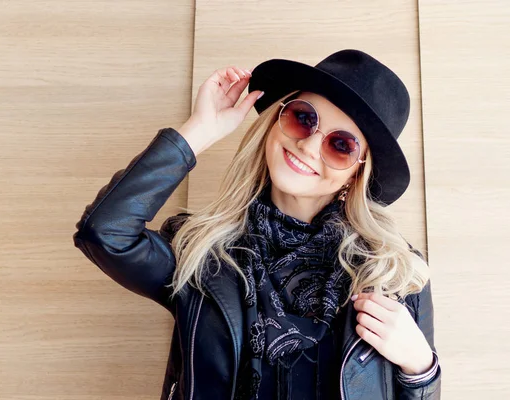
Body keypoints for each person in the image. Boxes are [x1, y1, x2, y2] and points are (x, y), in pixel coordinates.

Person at [73, 49, 441, 400]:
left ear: (355, 175)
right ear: (274, 122)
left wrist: (421, 367)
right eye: (303, 117)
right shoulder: (200, 251)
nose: (310, 146)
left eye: (341, 145)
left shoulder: (393, 271)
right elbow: (103, 232)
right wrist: (198, 131)